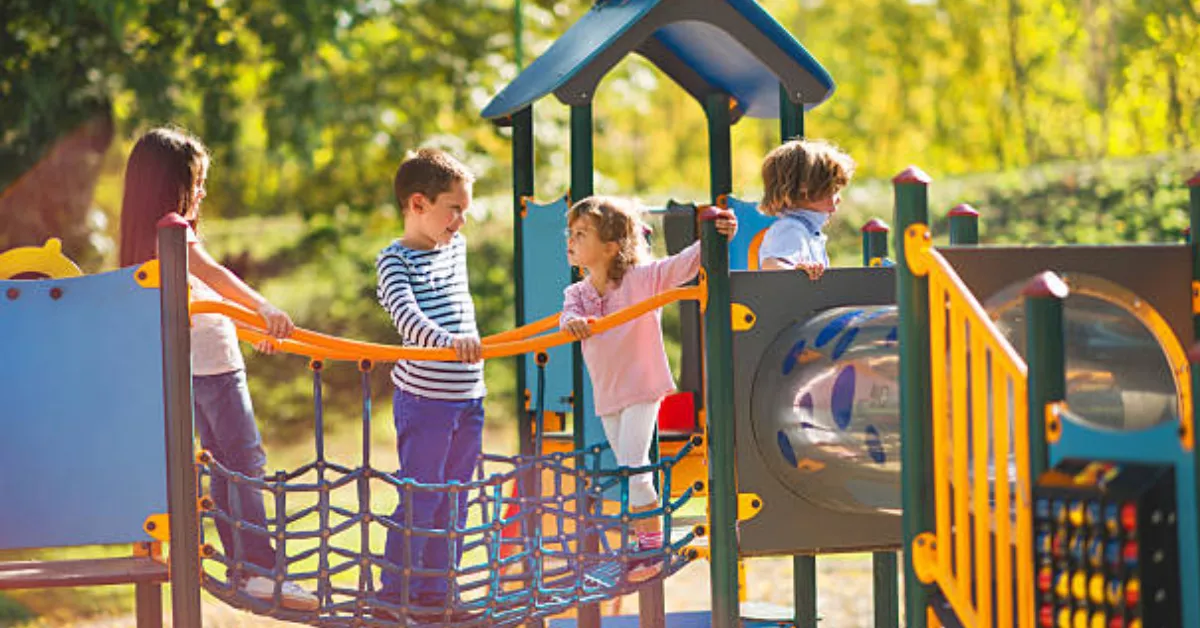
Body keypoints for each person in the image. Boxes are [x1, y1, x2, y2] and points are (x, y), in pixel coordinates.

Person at [118, 127, 317, 610]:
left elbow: (203, 306)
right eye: (197, 181)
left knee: (226, 467)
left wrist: (251, 329)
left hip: (194, 370)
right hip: (215, 372)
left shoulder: (147, 238)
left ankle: (245, 568)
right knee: (244, 464)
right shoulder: (174, 229)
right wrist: (264, 307)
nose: (203, 191)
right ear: (170, 185)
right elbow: (215, 276)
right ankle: (259, 570)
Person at [559, 196, 736, 582]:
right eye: (570, 233)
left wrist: (716, 231)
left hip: (642, 386)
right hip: (608, 395)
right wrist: (571, 322)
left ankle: (652, 550)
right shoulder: (578, 294)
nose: (570, 240)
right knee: (628, 471)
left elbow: (683, 265)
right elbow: (567, 316)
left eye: (581, 234)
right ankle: (645, 545)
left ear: (610, 247)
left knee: (636, 469)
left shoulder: (641, 280)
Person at [374, 148, 484, 622]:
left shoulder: (454, 248)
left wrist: (463, 348)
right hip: (425, 400)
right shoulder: (393, 261)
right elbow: (408, 319)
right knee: (422, 497)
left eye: (465, 209)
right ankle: (395, 595)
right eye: (453, 209)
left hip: (470, 397)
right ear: (418, 204)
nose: (461, 221)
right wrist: (450, 342)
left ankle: (438, 595)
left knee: (455, 498)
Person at [756, 138, 856, 278]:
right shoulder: (790, 228)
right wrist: (794, 271)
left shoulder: (808, 231)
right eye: (834, 190)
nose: (838, 199)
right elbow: (770, 265)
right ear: (805, 190)